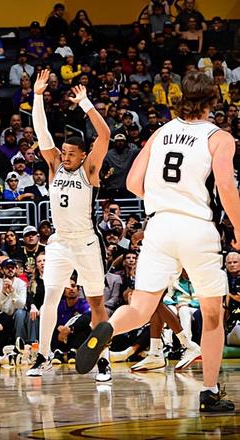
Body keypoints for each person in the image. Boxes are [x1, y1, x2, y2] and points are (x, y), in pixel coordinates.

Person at [76, 72, 239, 412]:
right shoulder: (219, 137)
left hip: (159, 226)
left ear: (181, 99)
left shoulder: (161, 132)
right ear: (213, 101)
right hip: (196, 228)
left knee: (140, 309)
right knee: (213, 314)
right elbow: (225, 186)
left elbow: (133, 183)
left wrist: (165, 195)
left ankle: (108, 327)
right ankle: (209, 392)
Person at [26, 68, 112, 382]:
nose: (65, 157)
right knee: (49, 296)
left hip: (87, 241)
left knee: (96, 301)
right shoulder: (54, 165)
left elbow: (105, 135)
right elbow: (41, 132)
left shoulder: (89, 169)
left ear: (83, 155)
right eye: (63, 153)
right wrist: (37, 96)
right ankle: (43, 355)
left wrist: (86, 103)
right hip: (60, 241)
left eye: (71, 154)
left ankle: (103, 360)